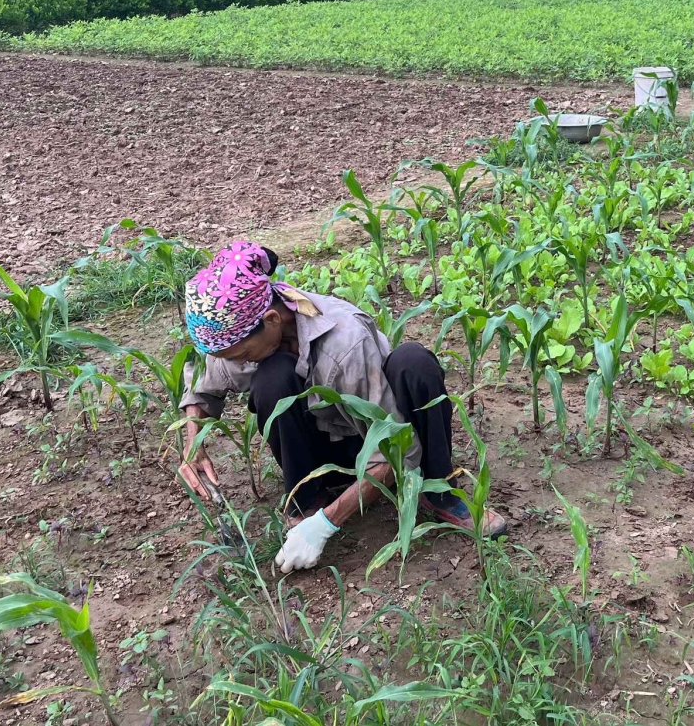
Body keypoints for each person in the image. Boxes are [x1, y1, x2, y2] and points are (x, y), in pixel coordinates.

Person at [174, 241, 508, 573]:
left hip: (381, 446)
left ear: (273, 319)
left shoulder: (345, 343)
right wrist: (194, 441)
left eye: (241, 354)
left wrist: (326, 524)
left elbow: (395, 450)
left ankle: (439, 490)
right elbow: (204, 386)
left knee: (414, 363)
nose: (238, 362)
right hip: (326, 451)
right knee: (271, 379)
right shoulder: (245, 331)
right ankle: (306, 499)